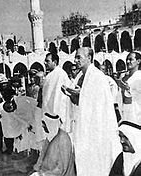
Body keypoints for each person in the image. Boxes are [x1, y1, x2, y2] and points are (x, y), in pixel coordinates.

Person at [64, 47, 121, 176]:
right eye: (76, 57)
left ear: (89, 58)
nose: (75, 60)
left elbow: (100, 105)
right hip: (86, 126)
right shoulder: (83, 76)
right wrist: (73, 94)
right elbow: (85, 101)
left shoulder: (97, 76)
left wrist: (80, 94)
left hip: (96, 128)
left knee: (96, 163)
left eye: (79, 57)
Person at [42, 52, 71, 141]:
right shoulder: (50, 75)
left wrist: (60, 115)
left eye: (47, 61)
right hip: (48, 115)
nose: (45, 63)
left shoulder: (60, 74)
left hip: (58, 116)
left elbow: (61, 96)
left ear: (54, 62)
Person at [117, 51, 141, 123]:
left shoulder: (139, 76)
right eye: (127, 59)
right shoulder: (124, 77)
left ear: (138, 61)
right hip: (124, 112)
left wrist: (128, 90)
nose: (127, 61)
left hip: (136, 113)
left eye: (131, 59)